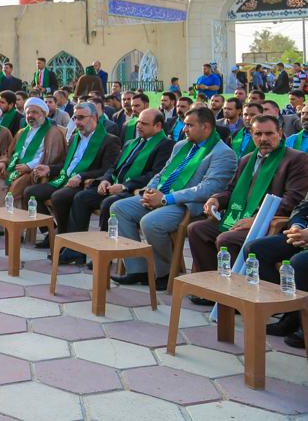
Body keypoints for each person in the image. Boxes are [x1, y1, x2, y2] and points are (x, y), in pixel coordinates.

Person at [110, 106, 236, 290]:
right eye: (185, 124)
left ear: (206, 127)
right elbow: (161, 173)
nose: (184, 129)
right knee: (119, 208)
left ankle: (165, 273)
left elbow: (208, 189)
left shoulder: (222, 153)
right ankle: (139, 270)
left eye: (189, 125)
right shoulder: (181, 146)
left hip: (188, 206)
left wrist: (165, 199)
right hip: (162, 197)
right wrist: (150, 190)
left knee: (151, 222)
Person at [186, 114, 308, 302]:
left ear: (281, 133)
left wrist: (258, 219)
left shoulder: (296, 159)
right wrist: (216, 200)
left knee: (227, 239)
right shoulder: (247, 159)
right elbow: (231, 191)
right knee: (197, 229)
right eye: (258, 133)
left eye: (269, 133)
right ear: (251, 134)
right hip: (239, 217)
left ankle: (238, 296)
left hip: (270, 223)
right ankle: (214, 289)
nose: (264, 138)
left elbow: (291, 201)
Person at [62, 108, 173, 261]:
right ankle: (75, 249)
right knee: (82, 197)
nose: (139, 126)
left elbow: (155, 174)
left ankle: (104, 252)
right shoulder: (131, 143)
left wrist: (124, 186)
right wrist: (105, 179)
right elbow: (113, 167)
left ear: (158, 126)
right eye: (139, 122)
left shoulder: (165, 145)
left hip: (134, 190)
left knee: (109, 203)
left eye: (144, 124)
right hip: (113, 185)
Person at [25, 102, 122, 246]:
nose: (77, 122)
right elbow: (67, 164)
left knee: (59, 197)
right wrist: (50, 169)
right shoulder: (75, 137)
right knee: (30, 192)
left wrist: (81, 176)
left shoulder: (109, 140)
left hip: (84, 184)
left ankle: (64, 238)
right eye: (75, 118)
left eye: (81, 118)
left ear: (94, 118)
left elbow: (107, 170)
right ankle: (51, 231)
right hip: (65, 179)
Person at [243, 194, 308, 347]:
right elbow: (302, 207)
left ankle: (302, 323)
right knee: (255, 250)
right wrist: (297, 227)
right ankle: (285, 310)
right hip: (303, 235)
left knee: (299, 262)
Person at [0, 97, 68, 214]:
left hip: (33, 172)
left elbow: (51, 158)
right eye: (28, 112)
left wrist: (28, 166)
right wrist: (3, 162)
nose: (30, 115)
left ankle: (15, 225)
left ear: (43, 114)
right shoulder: (22, 132)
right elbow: (9, 152)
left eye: (34, 112)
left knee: (16, 186)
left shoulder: (53, 133)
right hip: (14, 168)